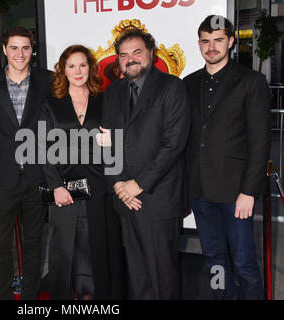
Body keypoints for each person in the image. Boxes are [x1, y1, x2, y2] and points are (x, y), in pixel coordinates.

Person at [183, 15, 271, 300]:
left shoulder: (251, 81)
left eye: (218, 40)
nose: (212, 47)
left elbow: (260, 141)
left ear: (231, 42)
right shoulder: (188, 83)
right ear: (199, 44)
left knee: (244, 262)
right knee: (214, 260)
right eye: (206, 41)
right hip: (200, 191)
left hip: (236, 193)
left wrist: (249, 191)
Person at [101, 29, 190, 299]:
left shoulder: (172, 87)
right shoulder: (113, 92)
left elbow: (173, 144)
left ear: (150, 53)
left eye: (136, 52)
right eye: (123, 55)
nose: (130, 59)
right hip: (125, 199)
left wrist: (137, 184)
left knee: (162, 273)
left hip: (157, 197)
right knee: (137, 273)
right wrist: (117, 184)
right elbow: (106, 142)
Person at [40, 45, 126, 300]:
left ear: (91, 68)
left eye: (82, 65)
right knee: (67, 250)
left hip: (99, 186)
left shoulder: (105, 100)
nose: (77, 71)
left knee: (97, 249)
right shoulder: (52, 103)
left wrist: (114, 143)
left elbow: (118, 140)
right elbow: (43, 147)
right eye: (71, 66)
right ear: (63, 71)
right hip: (63, 188)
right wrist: (56, 185)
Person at [0, 26, 52, 300]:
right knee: (0, 243)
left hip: (37, 175)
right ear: (5, 50)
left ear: (32, 50)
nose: (20, 53)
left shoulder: (48, 81)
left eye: (25, 48)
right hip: (2, 176)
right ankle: (5, 295)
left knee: (33, 242)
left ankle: (30, 298)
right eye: (14, 48)